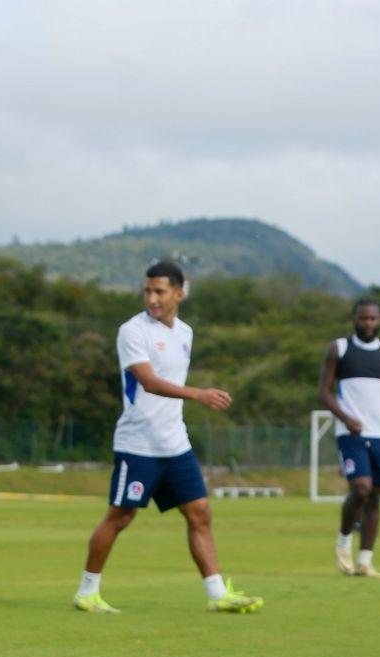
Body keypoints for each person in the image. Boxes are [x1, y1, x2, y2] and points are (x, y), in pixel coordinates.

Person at [72, 261, 263, 614]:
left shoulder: (185, 333)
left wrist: (193, 397)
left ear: (179, 293)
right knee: (120, 516)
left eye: (160, 291)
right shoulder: (132, 331)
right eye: (148, 291)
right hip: (138, 443)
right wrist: (199, 394)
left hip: (175, 443)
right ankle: (87, 591)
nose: (152, 298)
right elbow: (148, 381)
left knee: (200, 513)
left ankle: (217, 594)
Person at [319, 298, 380, 578]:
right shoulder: (339, 349)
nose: (368, 323)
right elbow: (324, 391)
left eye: (373, 319)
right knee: (360, 488)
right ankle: (343, 540)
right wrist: (346, 418)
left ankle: (365, 561)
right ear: (355, 319)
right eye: (363, 318)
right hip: (352, 434)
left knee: (375, 496)